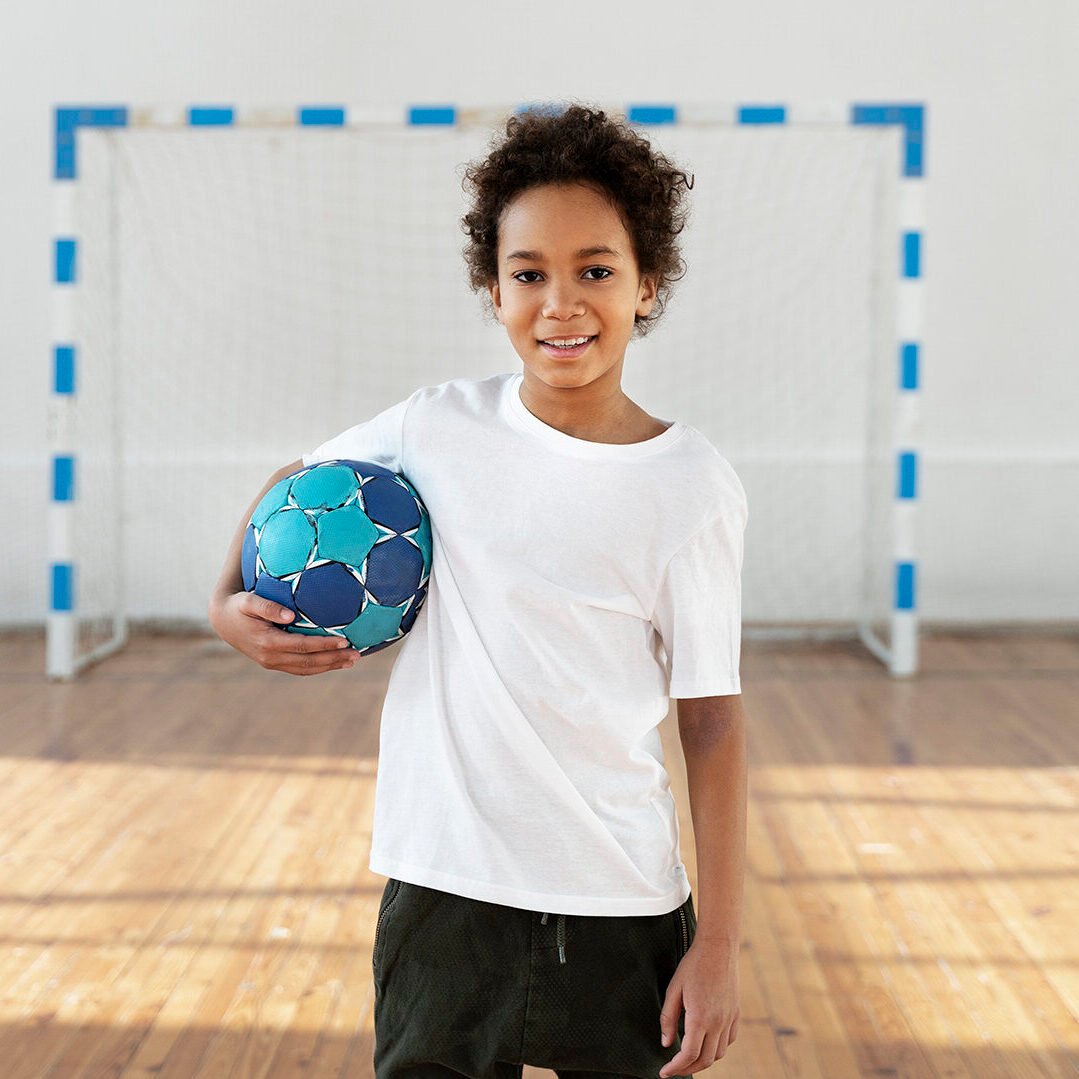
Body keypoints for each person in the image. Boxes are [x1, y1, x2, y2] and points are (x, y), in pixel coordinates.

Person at [209, 102, 748, 1079]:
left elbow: (710, 724)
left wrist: (714, 947)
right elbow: (294, 480)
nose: (560, 302)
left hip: (618, 902)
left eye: (594, 270)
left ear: (646, 285)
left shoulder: (689, 484)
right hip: (443, 893)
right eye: (527, 274)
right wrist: (224, 604)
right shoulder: (434, 427)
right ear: (491, 291)